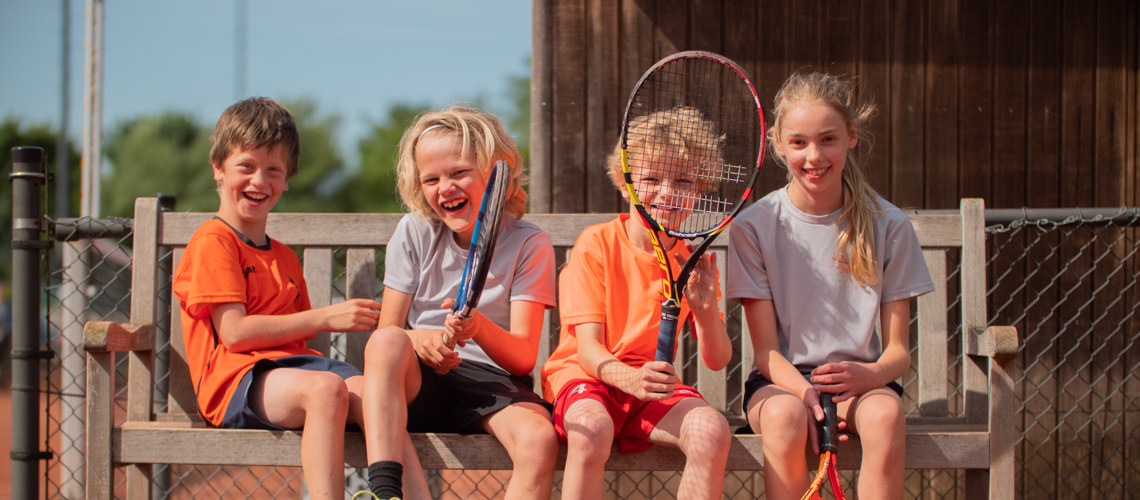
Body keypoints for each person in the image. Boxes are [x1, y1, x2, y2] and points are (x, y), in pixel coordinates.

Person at [173, 97, 422, 500]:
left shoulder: (285, 256)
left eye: (273, 170)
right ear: (218, 168)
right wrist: (325, 318)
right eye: (246, 167)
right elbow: (234, 335)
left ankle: (397, 496)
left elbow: (294, 346)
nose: (259, 181)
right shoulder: (213, 241)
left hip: (289, 371)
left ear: (287, 179)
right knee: (325, 390)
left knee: (377, 398)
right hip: (234, 381)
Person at [727, 72, 935, 500]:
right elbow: (766, 352)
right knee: (785, 420)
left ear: (852, 137)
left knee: (885, 419)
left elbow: (897, 353)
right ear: (779, 145)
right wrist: (805, 393)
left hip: (863, 384)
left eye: (828, 139)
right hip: (782, 385)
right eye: (799, 142)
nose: (814, 155)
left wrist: (869, 375)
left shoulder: (890, 225)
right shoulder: (754, 227)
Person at [361, 106, 558, 500]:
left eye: (459, 173)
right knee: (385, 343)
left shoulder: (529, 243)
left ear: (497, 172)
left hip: (491, 381)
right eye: (430, 179)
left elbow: (521, 359)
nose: (444, 187)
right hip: (420, 381)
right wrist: (419, 340)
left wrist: (479, 327)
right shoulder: (414, 231)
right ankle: (384, 493)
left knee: (539, 440)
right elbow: (389, 331)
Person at [540, 107, 734, 500]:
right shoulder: (597, 244)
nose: (668, 191)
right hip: (588, 381)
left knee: (710, 431)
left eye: (683, 179)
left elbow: (717, 358)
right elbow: (589, 352)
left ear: (699, 188)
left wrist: (705, 311)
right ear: (624, 184)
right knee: (591, 431)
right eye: (651, 178)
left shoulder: (695, 259)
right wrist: (631, 380)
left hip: (650, 393)